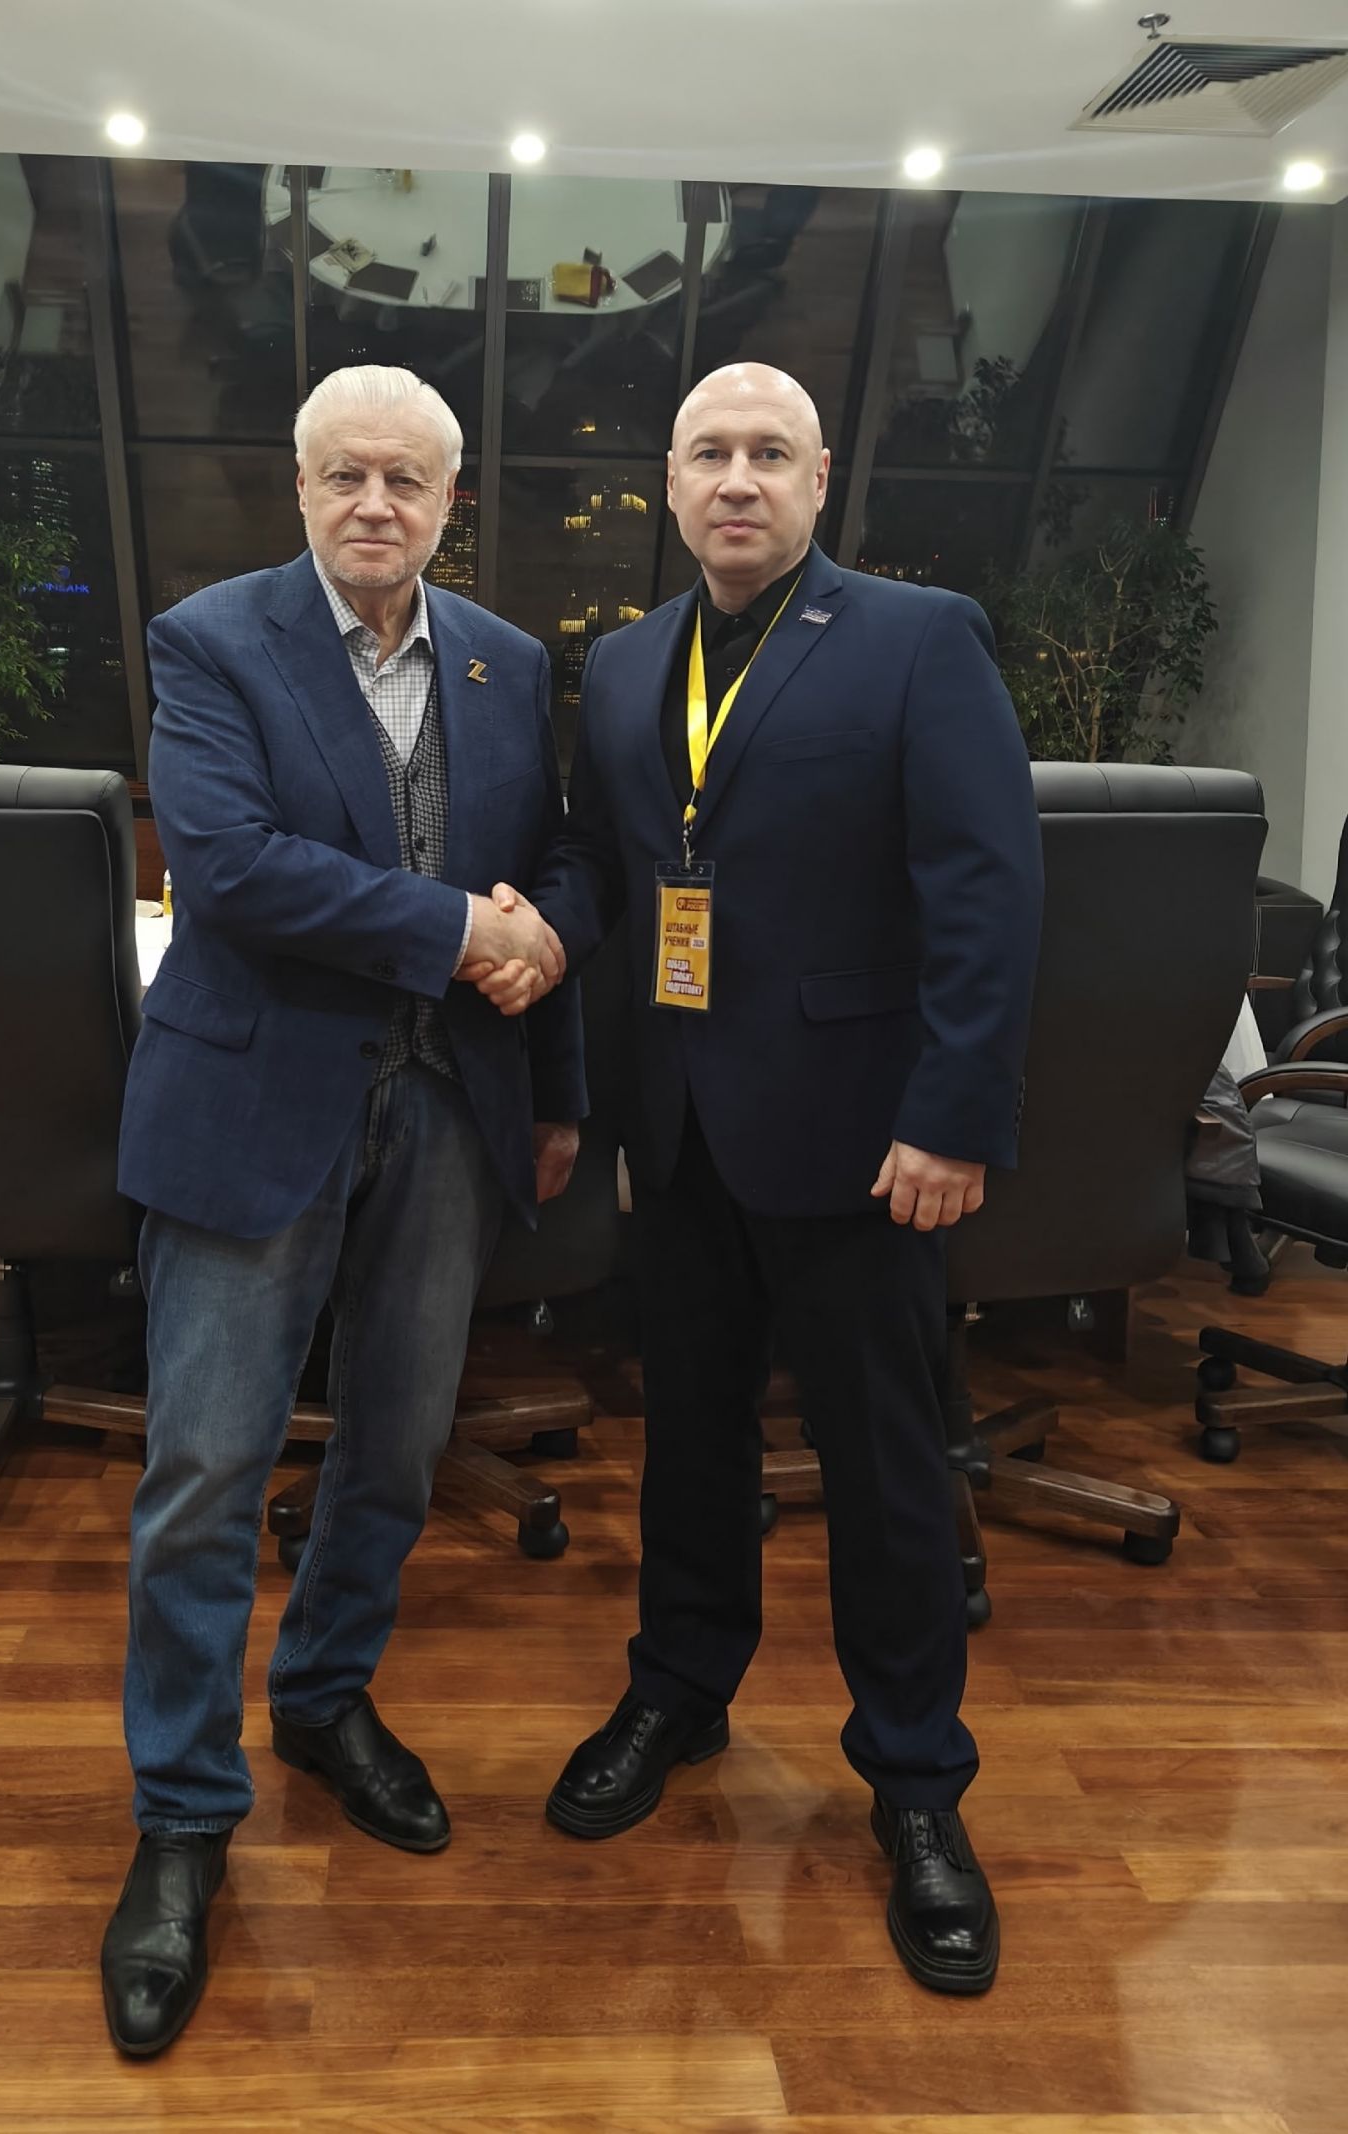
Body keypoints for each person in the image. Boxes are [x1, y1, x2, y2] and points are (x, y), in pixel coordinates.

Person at [488, 361, 1043, 1996]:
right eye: (710, 453)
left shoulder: (919, 637)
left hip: (866, 1139)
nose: (738, 479)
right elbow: (611, 868)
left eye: (770, 453)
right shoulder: (624, 661)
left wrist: (954, 1117)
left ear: (819, 479)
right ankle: (679, 1686)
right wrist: (549, 984)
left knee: (884, 1466)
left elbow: (988, 888)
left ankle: (918, 1781)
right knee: (690, 1439)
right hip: (680, 1130)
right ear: (671, 483)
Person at [102, 364, 583, 2057]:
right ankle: (182, 1813)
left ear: (452, 502)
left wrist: (557, 1070)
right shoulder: (212, 641)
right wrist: (464, 930)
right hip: (254, 1103)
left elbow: (555, 868)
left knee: (396, 1445)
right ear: (298, 489)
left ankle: (321, 1697)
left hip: (451, 1108)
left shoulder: (507, 661)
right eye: (344, 476)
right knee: (205, 1473)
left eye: (407, 480)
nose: (375, 503)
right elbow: (228, 867)